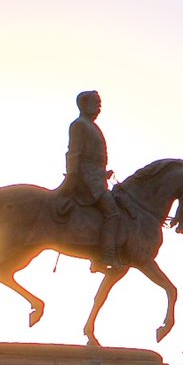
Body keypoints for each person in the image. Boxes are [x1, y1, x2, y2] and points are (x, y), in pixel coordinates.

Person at [52, 90, 123, 272]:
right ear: (84, 104)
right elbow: (74, 153)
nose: (99, 107)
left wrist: (103, 173)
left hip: (96, 178)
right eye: (96, 103)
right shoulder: (79, 125)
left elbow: (93, 158)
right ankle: (105, 256)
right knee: (113, 212)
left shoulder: (90, 126)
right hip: (88, 181)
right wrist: (72, 178)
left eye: (100, 103)